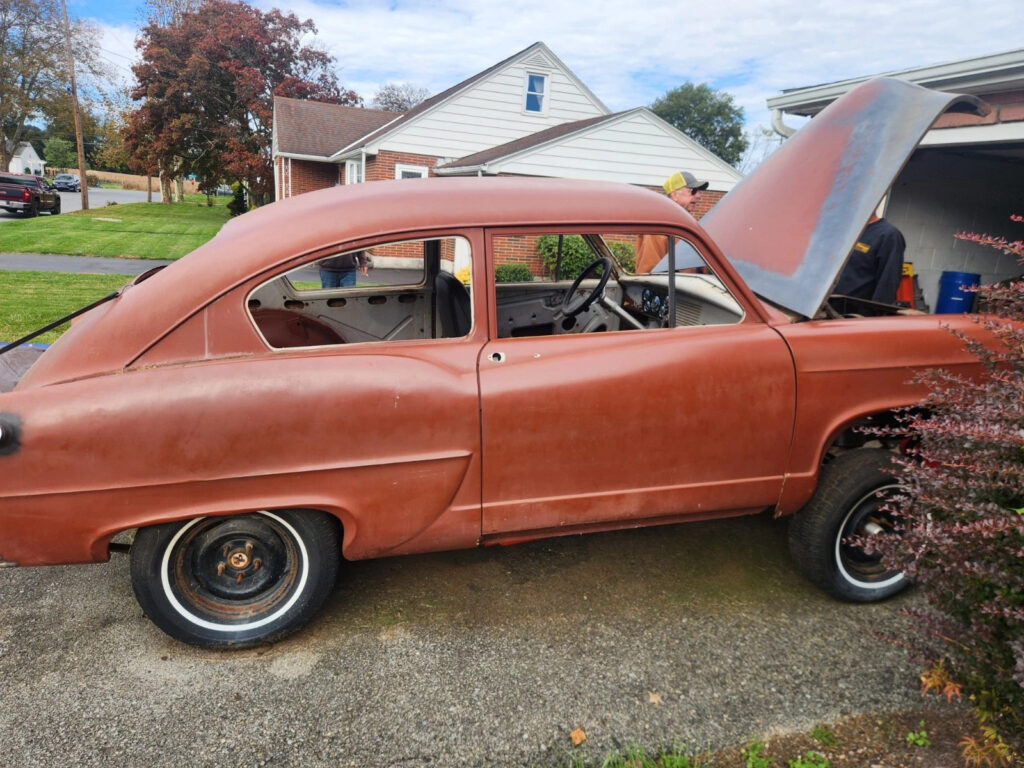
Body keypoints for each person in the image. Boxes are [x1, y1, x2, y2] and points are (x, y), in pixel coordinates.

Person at [635, 171, 709, 274]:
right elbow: (650, 274)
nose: (698, 196)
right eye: (693, 191)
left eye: (699, 191)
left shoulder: (686, 224)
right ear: (674, 195)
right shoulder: (659, 226)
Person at [833, 214, 905, 304]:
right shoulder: (843, 230)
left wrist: (875, 315)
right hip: (825, 310)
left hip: (853, 313)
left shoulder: (888, 235)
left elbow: (887, 284)